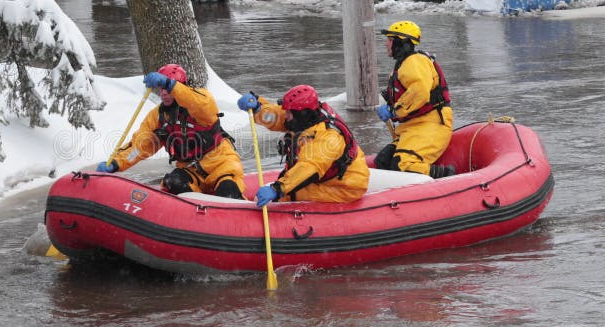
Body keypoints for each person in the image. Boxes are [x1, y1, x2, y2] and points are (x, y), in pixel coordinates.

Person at [96, 64, 246, 199]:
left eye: (167, 89)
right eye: (161, 89)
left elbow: (198, 102)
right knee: (173, 182)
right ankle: (193, 216)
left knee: (228, 190)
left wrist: (170, 85)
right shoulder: (159, 117)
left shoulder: (200, 105)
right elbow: (141, 145)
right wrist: (116, 163)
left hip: (221, 164)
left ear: (180, 86)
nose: (163, 93)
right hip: (191, 169)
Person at [237, 85, 369, 207]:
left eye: (289, 113)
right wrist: (258, 109)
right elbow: (278, 117)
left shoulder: (328, 137)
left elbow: (308, 168)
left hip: (343, 187)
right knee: (286, 185)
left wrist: (278, 189)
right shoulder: (305, 118)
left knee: (286, 196)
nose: (286, 115)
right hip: (328, 178)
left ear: (302, 114)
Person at [376, 20, 455, 178]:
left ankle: (447, 175)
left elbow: (420, 93)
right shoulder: (405, 64)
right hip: (413, 126)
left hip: (431, 123)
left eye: (390, 40)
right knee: (383, 161)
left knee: (403, 165)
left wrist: (393, 111)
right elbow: (405, 92)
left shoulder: (414, 61)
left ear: (401, 42)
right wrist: (387, 101)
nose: (386, 44)